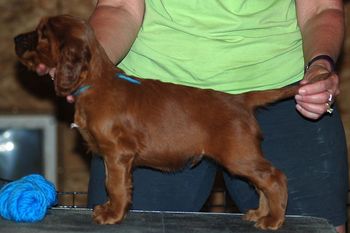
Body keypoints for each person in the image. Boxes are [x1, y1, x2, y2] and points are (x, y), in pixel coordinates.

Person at [37, 0, 348, 232]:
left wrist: (319, 66)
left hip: (284, 92)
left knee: (315, 225)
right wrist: (85, 68)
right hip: (152, 106)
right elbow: (119, 6)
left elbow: (322, 7)